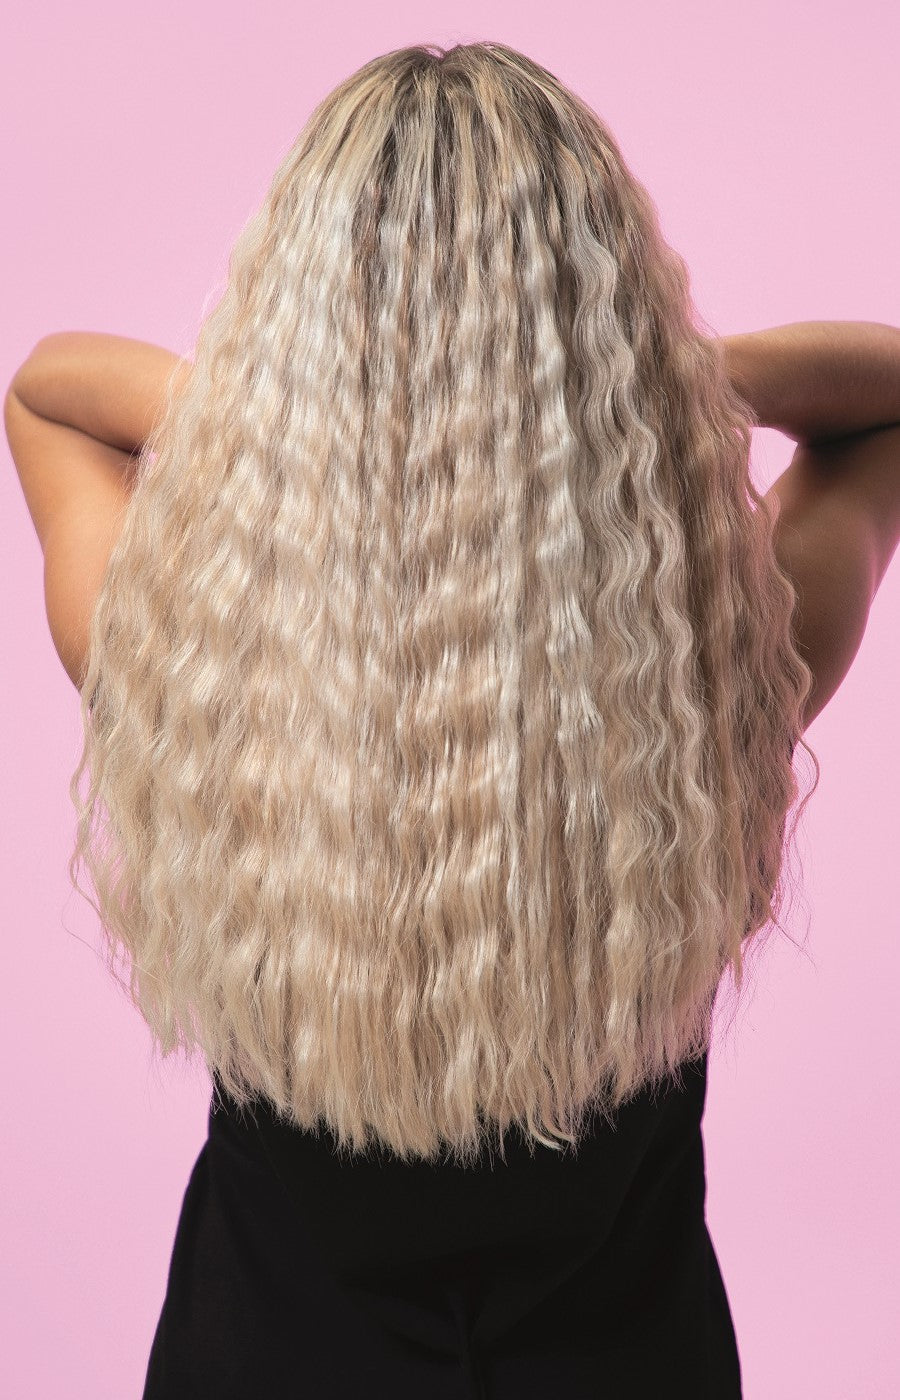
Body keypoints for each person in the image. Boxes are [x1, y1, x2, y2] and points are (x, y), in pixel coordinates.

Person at [5, 39, 899, 1400]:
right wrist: (643, 391)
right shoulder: (717, 686)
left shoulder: (179, 662)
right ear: (600, 326)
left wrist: (304, 429)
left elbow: (46, 388)